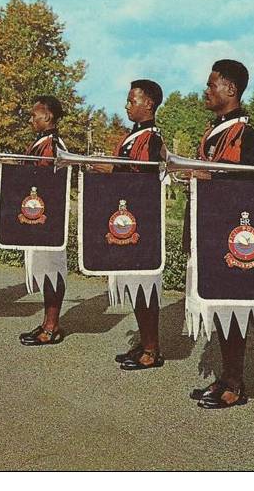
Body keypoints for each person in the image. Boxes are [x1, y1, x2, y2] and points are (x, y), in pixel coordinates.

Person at [184, 59, 254, 409]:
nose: (206, 90)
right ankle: (226, 375)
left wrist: (212, 177)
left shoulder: (244, 134)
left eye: (211, 84)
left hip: (230, 233)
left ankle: (235, 381)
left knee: (232, 309)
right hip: (209, 226)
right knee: (220, 308)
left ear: (230, 90)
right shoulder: (216, 130)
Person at [91, 79, 166, 370]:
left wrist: (113, 169)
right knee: (135, 286)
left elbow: (144, 178)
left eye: (131, 100)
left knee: (145, 285)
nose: (126, 105)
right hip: (128, 220)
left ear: (148, 103)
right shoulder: (130, 137)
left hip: (142, 224)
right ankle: (145, 342)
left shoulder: (152, 138)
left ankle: (152, 348)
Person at [18, 96, 71, 346]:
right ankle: (48, 321)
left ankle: (52, 326)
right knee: (45, 269)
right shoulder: (41, 143)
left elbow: (44, 180)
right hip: (39, 217)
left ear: (48, 117)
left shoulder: (52, 144)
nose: (31, 120)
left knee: (52, 269)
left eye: (34, 115)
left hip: (48, 219)